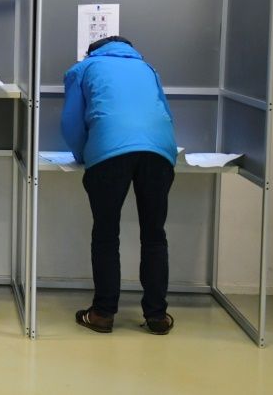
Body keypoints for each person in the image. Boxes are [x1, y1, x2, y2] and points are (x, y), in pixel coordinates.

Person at [60, 36, 177, 335]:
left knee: (106, 233)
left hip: (110, 152)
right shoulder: (148, 68)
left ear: (91, 51)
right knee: (154, 234)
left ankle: (102, 313)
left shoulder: (84, 68)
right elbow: (165, 113)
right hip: (159, 153)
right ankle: (157, 316)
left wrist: (83, 155)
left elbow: (71, 123)